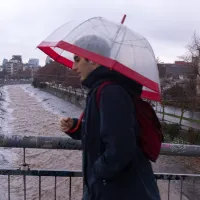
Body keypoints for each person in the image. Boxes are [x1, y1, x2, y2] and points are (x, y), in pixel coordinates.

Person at [59, 35, 161, 200]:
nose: (73, 66)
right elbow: (103, 132)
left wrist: (98, 173)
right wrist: (76, 126)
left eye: (77, 59)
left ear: (93, 59)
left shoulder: (110, 92)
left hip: (118, 190)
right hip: (111, 187)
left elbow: (121, 146)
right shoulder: (101, 89)